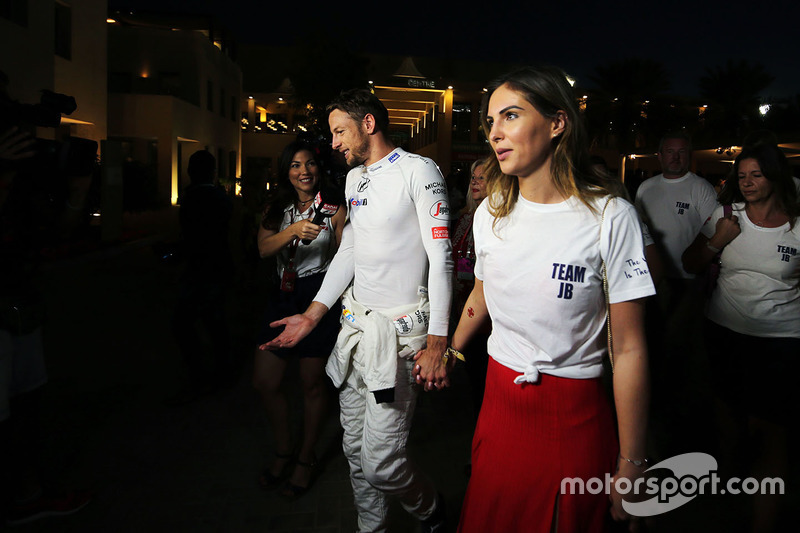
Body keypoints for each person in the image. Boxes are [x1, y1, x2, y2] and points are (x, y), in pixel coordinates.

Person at [448, 66, 654, 532]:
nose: (495, 133)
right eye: (490, 121)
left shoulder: (609, 216)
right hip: (498, 409)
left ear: (557, 123)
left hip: (572, 420)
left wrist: (633, 461)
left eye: (511, 116)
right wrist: (452, 348)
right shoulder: (490, 214)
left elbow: (629, 348)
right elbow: (481, 292)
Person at [262, 89, 453, 532]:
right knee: (354, 450)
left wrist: (438, 342)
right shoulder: (353, 179)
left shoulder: (419, 170)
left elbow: (441, 256)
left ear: (368, 124)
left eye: (339, 131)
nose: (334, 143)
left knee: (382, 464)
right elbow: (349, 249)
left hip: (400, 339)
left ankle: (432, 511)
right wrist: (312, 314)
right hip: (355, 331)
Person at [682, 143, 799, 532]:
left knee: (772, 430)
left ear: (775, 176)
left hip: (782, 341)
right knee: (729, 416)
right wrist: (718, 240)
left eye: (757, 175)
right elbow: (690, 261)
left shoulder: (797, 224)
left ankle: (762, 522)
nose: (747, 183)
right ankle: (729, 485)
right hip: (725, 333)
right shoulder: (725, 215)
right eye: (742, 175)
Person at [252, 141, 345, 498]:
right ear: (285, 171)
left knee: (311, 384)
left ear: (319, 169)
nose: (303, 171)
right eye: (294, 165)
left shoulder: (336, 207)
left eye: (309, 164)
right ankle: (284, 448)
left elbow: (343, 258)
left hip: (317, 295)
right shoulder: (276, 207)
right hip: (282, 295)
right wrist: (292, 230)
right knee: (265, 381)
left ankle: (306, 457)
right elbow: (263, 250)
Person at [169, 150, 234, 404]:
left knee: (186, 323)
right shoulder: (220, 198)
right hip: (218, 266)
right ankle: (220, 373)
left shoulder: (193, 197)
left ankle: (202, 376)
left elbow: (193, 236)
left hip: (202, 268)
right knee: (214, 321)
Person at [451, 157, 491, 415]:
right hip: (462, 302)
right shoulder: (465, 217)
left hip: (487, 311)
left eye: (482, 178)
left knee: (484, 375)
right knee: (474, 374)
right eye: (472, 178)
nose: (475, 182)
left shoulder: (498, 218)